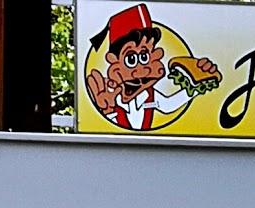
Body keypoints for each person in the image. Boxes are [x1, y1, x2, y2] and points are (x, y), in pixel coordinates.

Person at [85, 3, 216, 131]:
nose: (142, 70)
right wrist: (107, 111)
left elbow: (167, 105)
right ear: (114, 60)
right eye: (131, 59)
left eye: (144, 57)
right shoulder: (111, 97)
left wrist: (196, 86)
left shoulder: (148, 94)